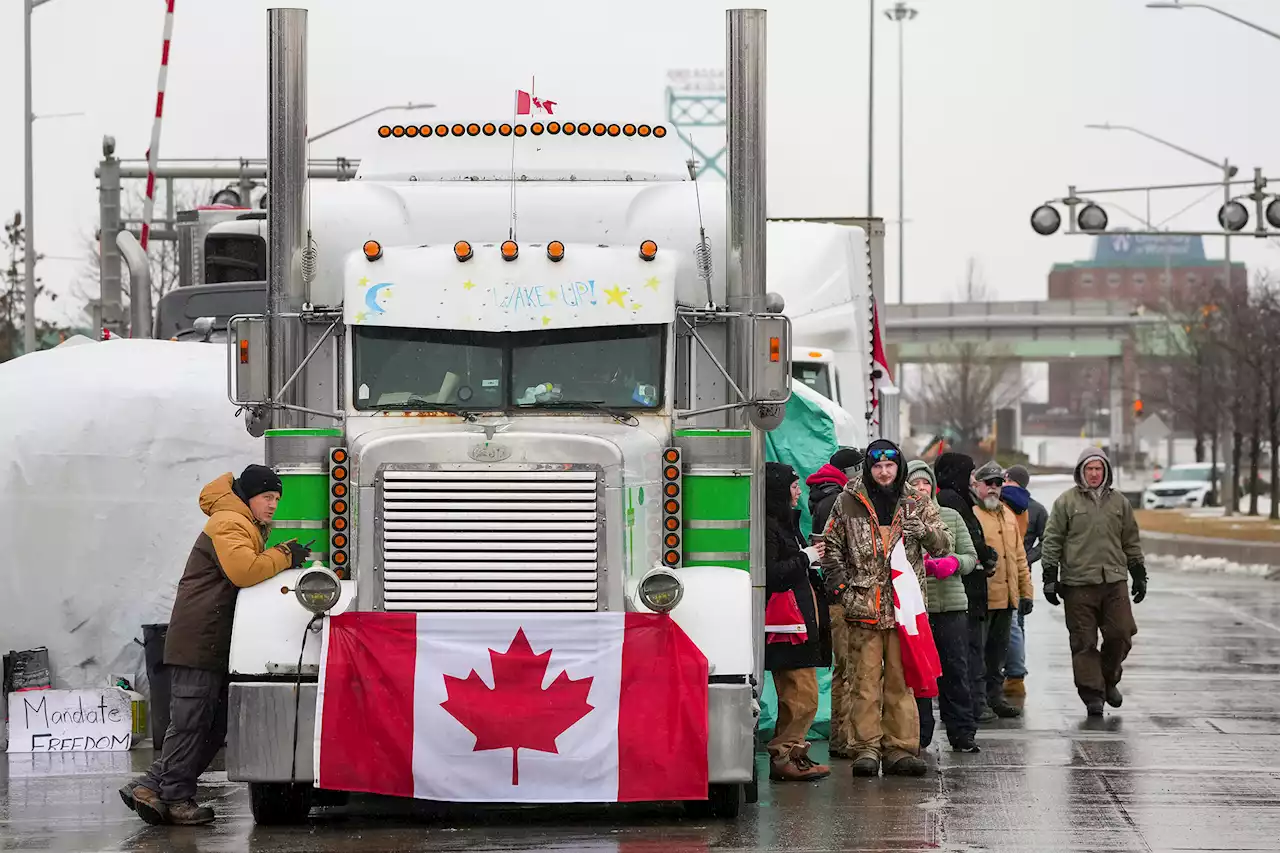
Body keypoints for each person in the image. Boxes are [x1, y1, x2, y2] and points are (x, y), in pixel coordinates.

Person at [121, 465, 309, 825]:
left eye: (277, 499)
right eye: (268, 497)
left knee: (212, 724)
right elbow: (244, 571)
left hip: (212, 637)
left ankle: (150, 786)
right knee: (192, 722)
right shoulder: (229, 521)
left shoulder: (245, 524)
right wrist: (284, 555)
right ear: (249, 495)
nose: (273, 505)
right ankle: (175, 799)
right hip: (199, 637)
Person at [821, 440, 953, 777]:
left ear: (899, 468)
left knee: (900, 681)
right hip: (862, 606)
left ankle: (900, 748)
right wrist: (840, 585)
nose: (883, 472)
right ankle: (865, 748)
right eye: (877, 466)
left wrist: (923, 531)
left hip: (903, 608)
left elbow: (944, 544)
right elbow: (830, 546)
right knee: (863, 682)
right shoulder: (847, 501)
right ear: (869, 467)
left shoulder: (917, 502)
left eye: (889, 466)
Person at [1040, 448, 1146, 717]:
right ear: (1081, 472)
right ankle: (1092, 694)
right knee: (1083, 642)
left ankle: (1109, 680)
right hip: (1078, 584)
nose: (1095, 473)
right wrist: (1050, 577)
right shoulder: (1066, 502)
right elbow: (1052, 539)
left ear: (1106, 471)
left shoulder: (1119, 503)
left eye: (1099, 468)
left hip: (1113, 581)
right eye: (1090, 469)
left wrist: (1138, 573)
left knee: (1121, 634)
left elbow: (1131, 540)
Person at [906, 461, 981, 754]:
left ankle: (962, 732)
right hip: (916, 609)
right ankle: (919, 732)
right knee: (919, 674)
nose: (921, 489)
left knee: (955, 670)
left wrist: (953, 563)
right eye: (915, 483)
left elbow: (970, 557)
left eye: (926, 483)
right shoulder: (901, 518)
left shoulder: (950, 516)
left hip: (951, 606)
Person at [764, 462, 833, 781]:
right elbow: (772, 575)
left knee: (802, 697)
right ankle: (785, 756)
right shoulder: (770, 528)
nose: (799, 492)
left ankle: (793, 753)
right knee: (799, 697)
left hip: (797, 627)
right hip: (786, 630)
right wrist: (807, 557)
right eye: (793, 486)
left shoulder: (785, 524)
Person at [933, 453, 999, 727]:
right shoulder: (952, 500)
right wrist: (986, 554)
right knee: (967, 652)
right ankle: (972, 707)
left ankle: (975, 704)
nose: (972, 479)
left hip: (971, 587)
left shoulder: (961, 498)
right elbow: (967, 540)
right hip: (964, 591)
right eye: (969, 472)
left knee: (973, 650)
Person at [805, 445, 861, 757]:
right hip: (841, 596)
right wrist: (841, 587)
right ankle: (846, 738)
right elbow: (832, 552)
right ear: (852, 471)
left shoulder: (823, 495)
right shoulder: (835, 500)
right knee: (849, 667)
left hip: (833, 594)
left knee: (844, 668)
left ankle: (844, 737)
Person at [972, 461, 1033, 722]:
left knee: (998, 654)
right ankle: (978, 701)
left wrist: (1025, 592)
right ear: (978, 486)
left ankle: (995, 697)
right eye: (989, 484)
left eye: (998, 484)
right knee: (979, 654)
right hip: (982, 598)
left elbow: (1019, 557)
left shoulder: (1008, 514)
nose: (994, 489)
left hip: (1007, 599)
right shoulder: (973, 514)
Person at [1000, 465, 1046, 698]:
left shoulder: (1000, 504)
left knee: (1009, 622)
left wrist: (1024, 556)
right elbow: (1047, 540)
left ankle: (1011, 671)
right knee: (1018, 622)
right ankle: (1015, 674)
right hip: (1022, 568)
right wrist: (1029, 556)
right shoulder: (1036, 508)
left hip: (1005, 569)